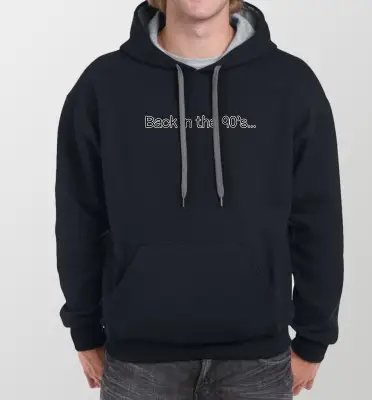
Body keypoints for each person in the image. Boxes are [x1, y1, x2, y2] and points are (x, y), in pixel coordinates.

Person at [55, 0, 344, 398]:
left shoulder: (290, 83)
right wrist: (84, 327)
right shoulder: (104, 85)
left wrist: (314, 336)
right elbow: (78, 216)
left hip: (257, 361)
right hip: (139, 362)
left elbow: (318, 217)